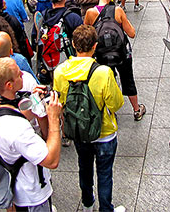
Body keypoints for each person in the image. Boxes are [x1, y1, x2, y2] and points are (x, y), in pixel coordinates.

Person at [53, 25, 125, 212]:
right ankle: (106, 208)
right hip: (104, 132)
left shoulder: (60, 72)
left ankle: (87, 203)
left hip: (78, 130)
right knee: (105, 173)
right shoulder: (103, 72)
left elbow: (60, 102)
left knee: (84, 167)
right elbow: (116, 104)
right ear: (95, 46)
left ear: (74, 45)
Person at [0, 57, 64, 211]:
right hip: (31, 193)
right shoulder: (16, 128)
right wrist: (53, 118)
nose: (23, 75)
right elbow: (51, 160)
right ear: (9, 85)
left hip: (16, 185)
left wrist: (32, 100)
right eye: (19, 75)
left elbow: (14, 114)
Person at [84, 0, 146, 121]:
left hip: (101, 55)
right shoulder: (118, 11)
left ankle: (109, 111)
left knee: (106, 81)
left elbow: (86, 35)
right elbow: (132, 33)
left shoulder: (90, 13)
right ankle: (136, 110)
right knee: (128, 79)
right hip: (122, 54)